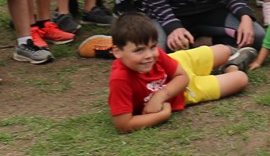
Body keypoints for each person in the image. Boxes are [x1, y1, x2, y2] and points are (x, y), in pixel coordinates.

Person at [106, 12, 252, 133]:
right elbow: (123, 124)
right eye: (139, 50)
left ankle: (227, 60)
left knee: (224, 50)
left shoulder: (156, 55)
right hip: (185, 91)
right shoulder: (120, 80)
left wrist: (159, 96)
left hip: (178, 63)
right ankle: (230, 66)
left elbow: (181, 76)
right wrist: (163, 115)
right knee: (240, 79)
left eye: (153, 47)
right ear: (117, 52)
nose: (149, 55)